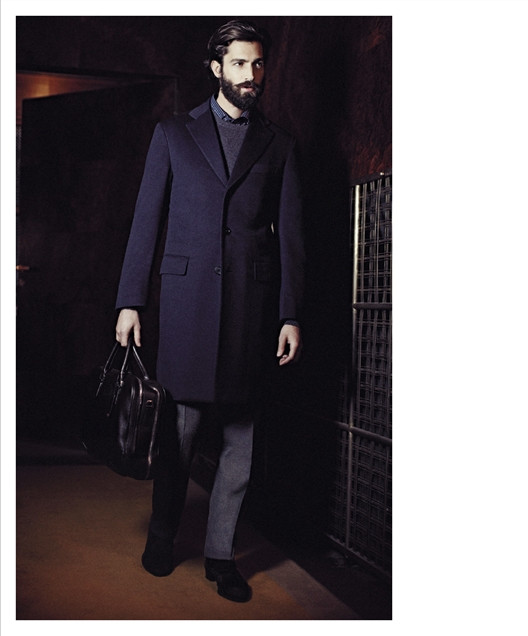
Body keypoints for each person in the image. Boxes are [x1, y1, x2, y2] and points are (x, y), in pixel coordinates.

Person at [114, 19, 305, 603]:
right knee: (178, 439)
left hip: (252, 310)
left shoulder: (279, 144)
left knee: (240, 447)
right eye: (240, 63)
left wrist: (290, 314)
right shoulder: (173, 133)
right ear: (217, 67)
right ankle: (163, 536)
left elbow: (291, 237)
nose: (252, 75)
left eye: (259, 64)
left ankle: (222, 556)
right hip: (188, 308)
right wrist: (130, 301)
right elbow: (146, 221)